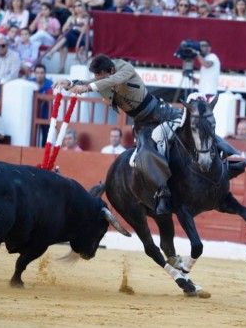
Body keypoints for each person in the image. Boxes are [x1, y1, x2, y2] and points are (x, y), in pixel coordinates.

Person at [55, 54, 190, 215]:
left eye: (99, 74)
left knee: (192, 130)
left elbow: (110, 81)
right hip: (142, 123)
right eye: (95, 75)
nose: (96, 78)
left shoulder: (125, 68)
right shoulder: (103, 78)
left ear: (110, 70)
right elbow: (93, 82)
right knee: (145, 157)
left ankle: (222, 158)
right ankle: (162, 193)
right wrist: (70, 83)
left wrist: (88, 88)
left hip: (159, 113)